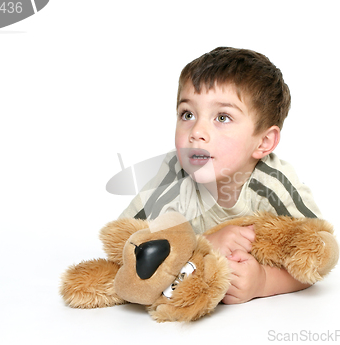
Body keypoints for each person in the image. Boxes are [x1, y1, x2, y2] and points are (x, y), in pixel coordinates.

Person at [119, 47, 326, 304]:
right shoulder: (174, 175)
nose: (197, 131)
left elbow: (316, 255)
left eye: (222, 117)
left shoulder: (273, 184)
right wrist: (203, 245)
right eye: (188, 114)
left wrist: (263, 281)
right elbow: (125, 246)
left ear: (263, 142)